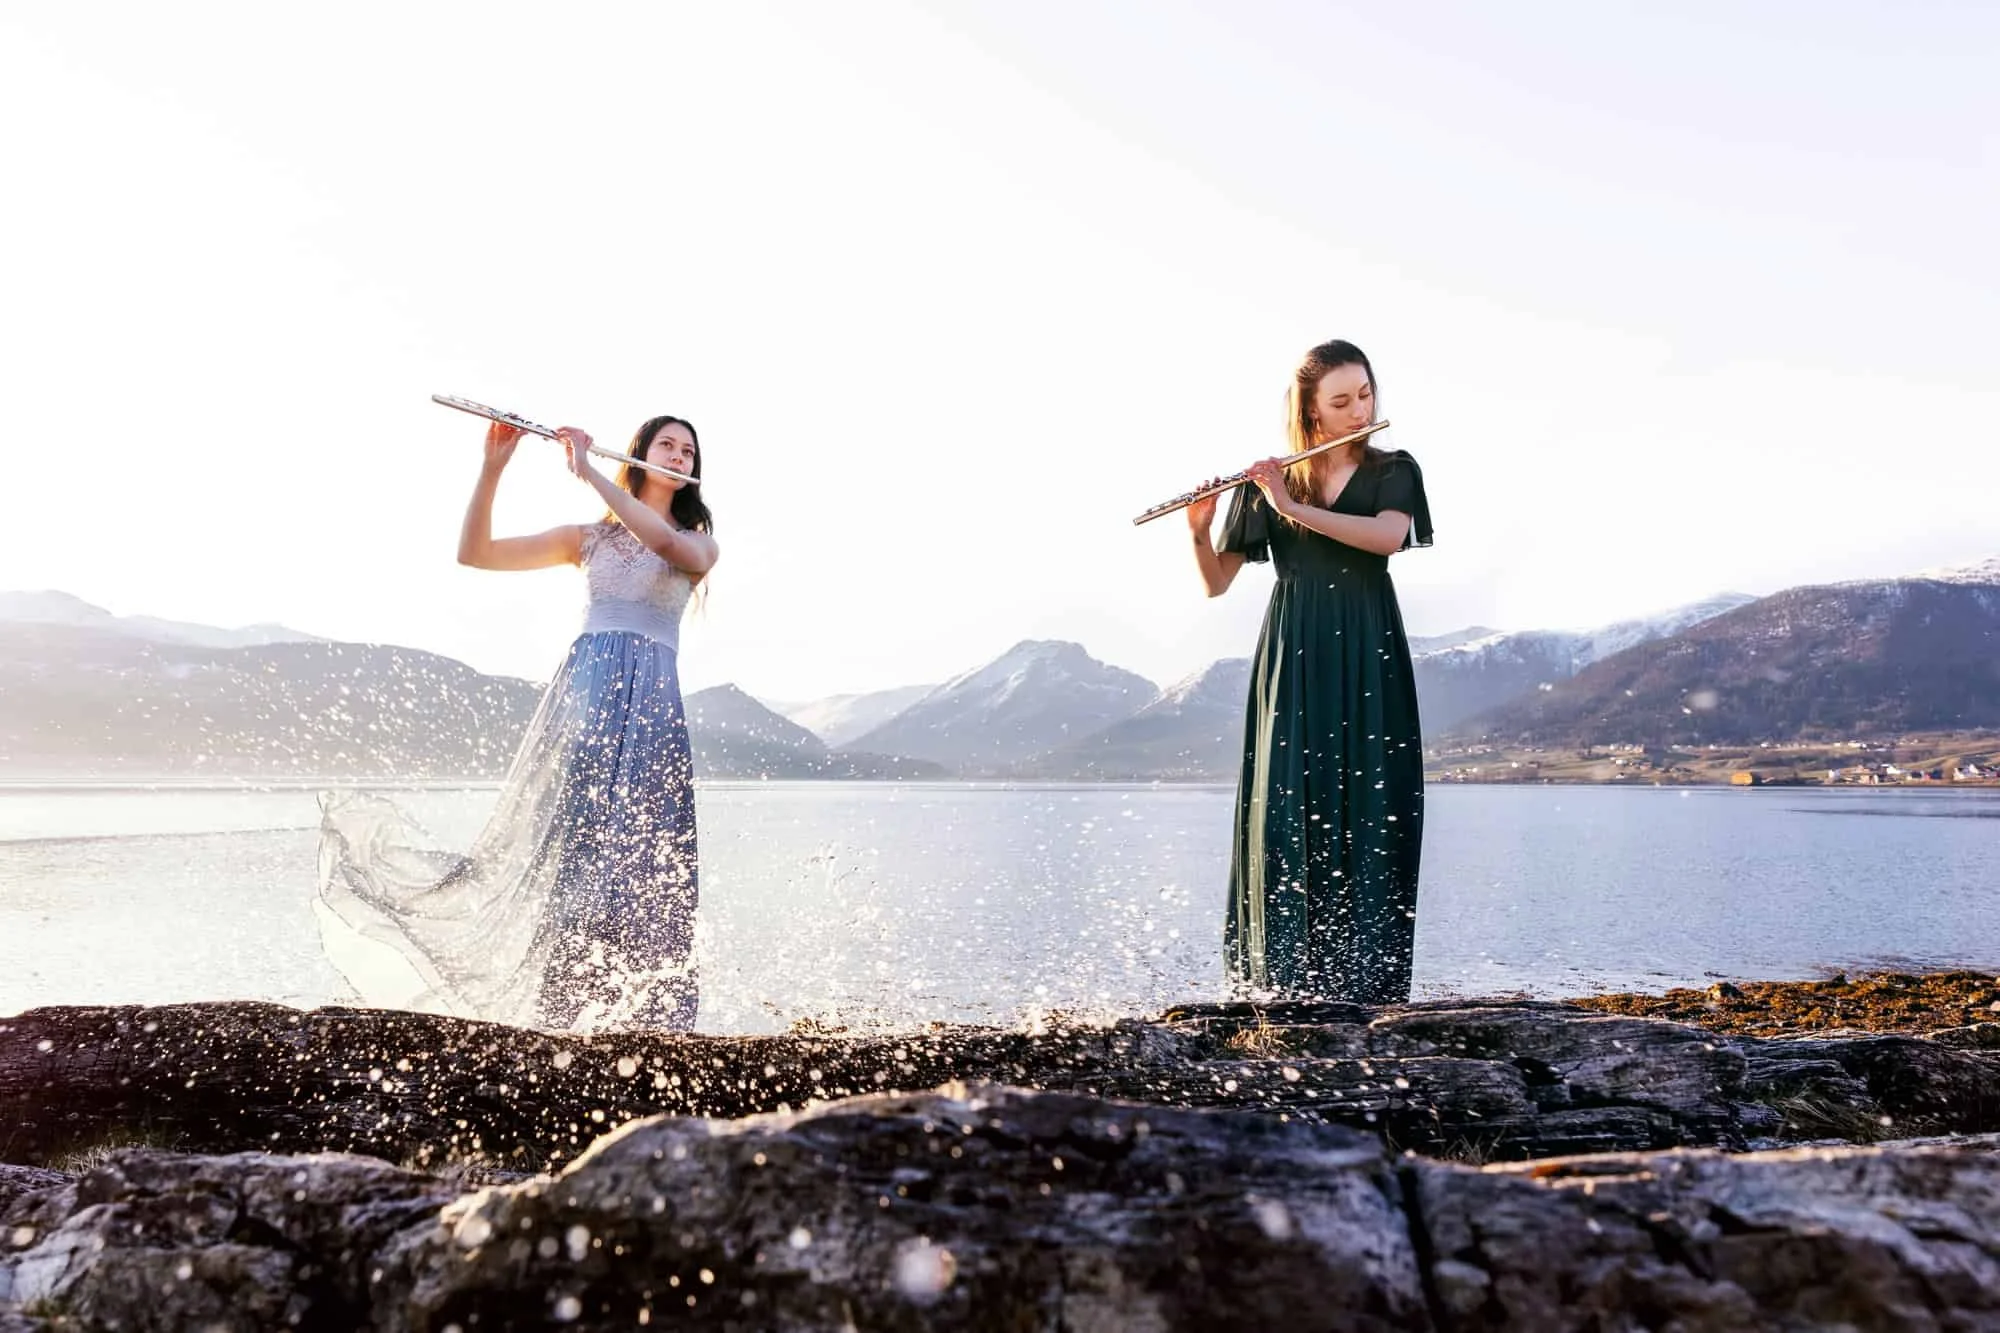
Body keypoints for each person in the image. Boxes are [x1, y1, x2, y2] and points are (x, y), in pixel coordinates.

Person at [315, 414, 717, 1031]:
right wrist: (493, 467)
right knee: (576, 856)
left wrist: (587, 474)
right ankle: (563, 1012)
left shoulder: (700, 544)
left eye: (688, 451)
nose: (679, 455)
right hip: (588, 699)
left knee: (646, 858)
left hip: (654, 710)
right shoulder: (588, 539)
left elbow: (663, 546)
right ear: (640, 454)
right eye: (668, 444)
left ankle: (649, 1018)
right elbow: (473, 554)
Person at [1187, 339, 1432, 1004]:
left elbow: (1384, 537)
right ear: (1311, 412)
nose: (1361, 409)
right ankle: (1280, 985)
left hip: (1366, 647)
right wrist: (1199, 529)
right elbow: (1216, 583)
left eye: (1366, 394)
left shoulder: (1394, 469)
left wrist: (1292, 512)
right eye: (1342, 400)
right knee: (1290, 804)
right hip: (1293, 654)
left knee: (1369, 805)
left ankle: (1367, 989)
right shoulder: (1273, 479)